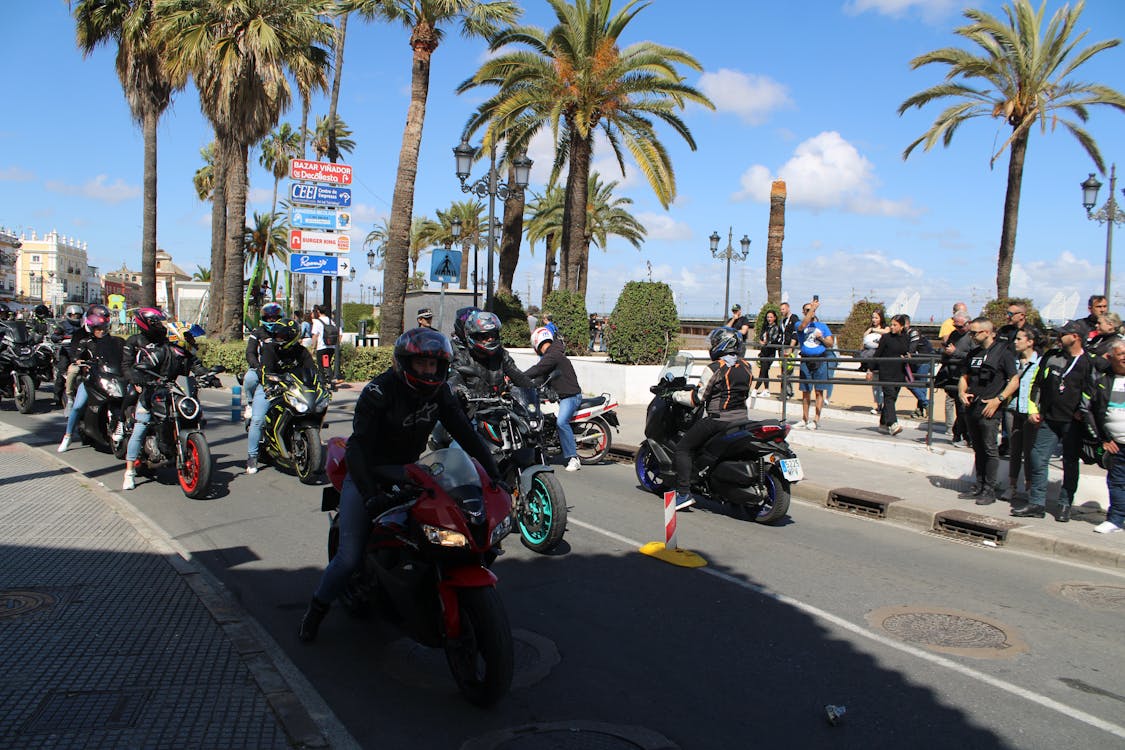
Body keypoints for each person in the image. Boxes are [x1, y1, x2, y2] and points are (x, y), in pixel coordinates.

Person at [297, 328, 503, 642]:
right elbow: (358, 448)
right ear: (405, 362)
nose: (429, 370)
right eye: (422, 364)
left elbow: (465, 433)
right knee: (349, 556)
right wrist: (369, 495)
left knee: (455, 525)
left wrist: (492, 474)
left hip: (411, 470)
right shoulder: (379, 392)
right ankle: (316, 610)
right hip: (368, 471)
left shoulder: (440, 392)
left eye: (434, 364)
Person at [120, 308, 210, 491]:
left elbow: (198, 368)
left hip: (175, 392)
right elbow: (141, 365)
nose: (193, 342)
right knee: (141, 425)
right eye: (190, 338)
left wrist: (210, 376)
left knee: (194, 415)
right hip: (152, 391)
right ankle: (129, 472)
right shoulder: (160, 350)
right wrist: (139, 376)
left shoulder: (184, 354)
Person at [1011, 321, 1092, 520]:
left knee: (1070, 462)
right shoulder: (1051, 357)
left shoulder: (1088, 362)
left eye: (1063, 334)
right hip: (1048, 419)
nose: (1058, 337)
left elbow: (1092, 392)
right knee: (1038, 458)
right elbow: (1036, 384)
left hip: (1072, 423)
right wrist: (1033, 409)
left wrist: (1084, 411)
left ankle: (1065, 504)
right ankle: (1036, 503)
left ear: (1075, 337)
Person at [671, 327, 753, 511]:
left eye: (715, 342)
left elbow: (697, 398)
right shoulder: (747, 367)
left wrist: (675, 395)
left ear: (724, 345)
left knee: (684, 447)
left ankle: (683, 493)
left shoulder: (715, 368)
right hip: (742, 419)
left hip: (718, 420)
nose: (713, 345)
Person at [246, 318, 323, 475]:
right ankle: (252, 457)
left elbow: (313, 371)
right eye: (276, 335)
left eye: (281, 336)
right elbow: (265, 372)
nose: (277, 338)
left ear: (292, 337)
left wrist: (322, 384)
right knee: (257, 420)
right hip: (270, 387)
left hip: (294, 388)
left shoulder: (301, 352)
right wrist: (267, 387)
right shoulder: (269, 349)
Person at [958, 318, 1019, 504]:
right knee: (977, 447)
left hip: (990, 408)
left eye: (974, 333)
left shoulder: (1003, 353)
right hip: (972, 406)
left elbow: (1014, 380)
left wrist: (998, 400)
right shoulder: (974, 353)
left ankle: (989, 490)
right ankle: (979, 484)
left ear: (986, 332)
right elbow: (964, 376)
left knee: (989, 448)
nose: (972, 336)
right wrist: (962, 392)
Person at [57, 307, 123, 452]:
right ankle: (67, 436)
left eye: (103, 328)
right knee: (78, 406)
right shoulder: (86, 341)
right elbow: (76, 355)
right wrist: (79, 361)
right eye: (98, 329)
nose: (101, 331)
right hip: (91, 378)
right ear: (92, 328)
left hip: (109, 376)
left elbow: (121, 355)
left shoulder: (114, 342)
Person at [1080, 339, 1125, 533]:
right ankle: (1115, 519)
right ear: (1110, 357)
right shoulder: (1102, 381)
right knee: (1116, 482)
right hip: (1116, 444)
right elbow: (1089, 411)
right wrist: (1104, 439)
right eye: (1121, 354)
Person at [524, 326, 582, 471]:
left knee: (561, 422)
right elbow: (540, 377)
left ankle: (573, 458)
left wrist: (518, 376)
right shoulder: (552, 355)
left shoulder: (553, 355)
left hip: (571, 397)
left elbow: (537, 370)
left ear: (537, 343)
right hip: (562, 397)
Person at [449, 311, 534, 404]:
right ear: (473, 336)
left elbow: (519, 376)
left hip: (500, 409)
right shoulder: (463, 357)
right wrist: (462, 391)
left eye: (493, 335)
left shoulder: (501, 355)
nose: (490, 339)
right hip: (472, 411)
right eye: (485, 336)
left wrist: (538, 389)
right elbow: (454, 379)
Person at [1001, 328, 1041, 502]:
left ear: (1030, 342)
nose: (1015, 342)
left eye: (1019, 339)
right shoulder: (1014, 361)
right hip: (1013, 409)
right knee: (1014, 448)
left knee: (1030, 449)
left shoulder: (1040, 362)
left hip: (1030, 411)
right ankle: (1012, 486)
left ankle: (1031, 486)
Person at [865, 314, 910, 436]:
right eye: (891, 324)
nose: (892, 327)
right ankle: (893, 423)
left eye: (895, 325)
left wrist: (907, 356)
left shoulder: (906, 338)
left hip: (899, 372)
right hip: (886, 372)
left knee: (892, 398)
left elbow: (906, 351)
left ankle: (883, 423)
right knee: (889, 396)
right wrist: (870, 369)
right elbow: (877, 354)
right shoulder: (885, 338)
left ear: (901, 326)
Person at [795, 300, 834, 430]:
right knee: (805, 391)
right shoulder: (799, 324)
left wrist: (821, 338)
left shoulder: (822, 326)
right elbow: (803, 326)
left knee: (819, 391)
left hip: (819, 360)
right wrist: (812, 309)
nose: (810, 311)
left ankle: (816, 420)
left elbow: (830, 343)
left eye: (811, 309)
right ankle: (804, 418)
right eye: (807, 310)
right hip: (806, 359)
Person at [243, 302, 283, 420]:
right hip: (261, 368)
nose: (271, 320)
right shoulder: (257, 332)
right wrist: (256, 366)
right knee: (250, 379)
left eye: (274, 317)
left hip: (280, 369)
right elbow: (250, 352)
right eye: (269, 317)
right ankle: (250, 404)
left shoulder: (284, 332)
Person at [938, 313, 972, 445]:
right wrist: (946, 352)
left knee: (964, 409)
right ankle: (959, 434)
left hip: (965, 377)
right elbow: (946, 352)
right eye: (955, 326)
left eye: (960, 326)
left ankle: (961, 434)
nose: (957, 329)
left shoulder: (971, 337)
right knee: (960, 408)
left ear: (968, 324)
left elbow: (974, 356)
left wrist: (955, 352)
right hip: (952, 376)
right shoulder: (953, 335)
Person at [861, 309, 890, 415]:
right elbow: (864, 337)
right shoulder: (869, 329)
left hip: (882, 359)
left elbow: (887, 332)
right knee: (875, 384)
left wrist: (874, 330)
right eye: (873, 317)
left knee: (883, 384)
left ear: (881, 318)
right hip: (872, 359)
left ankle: (884, 405)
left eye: (876, 317)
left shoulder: (885, 328)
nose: (874, 320)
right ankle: (878, 405)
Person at [752, 309, 783, 399]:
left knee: (763, 370)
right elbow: (761, 337)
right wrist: (761, 341)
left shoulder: (776, 328)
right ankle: (766, 390)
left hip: (770, 353)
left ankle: (755, 389)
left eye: (771, 317)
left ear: (775, 318)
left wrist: (766, 342)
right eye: (768, 317)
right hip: (763, 351)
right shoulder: (765, 327)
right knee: (764, 370)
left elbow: (773, 339)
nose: (769, 319)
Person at [310, 305, 337, 388]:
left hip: (322, 346)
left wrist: (313, 347)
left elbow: (315, 335)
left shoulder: (317, 322)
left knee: (321, 365)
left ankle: (323, 383)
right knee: (327, 364)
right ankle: (331, 382)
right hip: (331, 347)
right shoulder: (331, 321)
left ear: (318, 311)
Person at [778, 301, 800, 399]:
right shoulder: (783, 321)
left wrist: (791, 348)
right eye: (780, 310)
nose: (782, 311)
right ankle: (784, 392)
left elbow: (795, 334)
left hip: (790, 347)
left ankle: (789, 392)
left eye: (783, 309)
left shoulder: (794, 318)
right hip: (782, 347)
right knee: (783, 370)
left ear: (788, 308)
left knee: (789, 369)